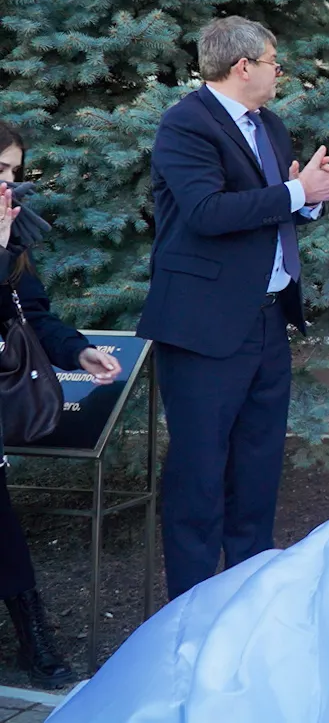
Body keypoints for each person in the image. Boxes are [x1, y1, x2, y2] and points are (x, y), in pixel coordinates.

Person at [136, 17, 329, 600]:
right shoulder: (186, 124)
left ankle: (248, 601)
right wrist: (297, 193)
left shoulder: (271, 124)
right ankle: (187, 612)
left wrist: (313, 196)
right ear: (243, 67)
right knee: (200, 476)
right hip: (204, 327)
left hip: (266, 320)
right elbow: (208, 213)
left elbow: (268, 213)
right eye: (272, 61)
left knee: (257, 472)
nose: (278, 71)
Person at [0, 123, 122, 686]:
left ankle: (34, 640)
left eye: (12, 173)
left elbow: (35, 316)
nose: (7, 185)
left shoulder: (12, 235)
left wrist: (81, 351)